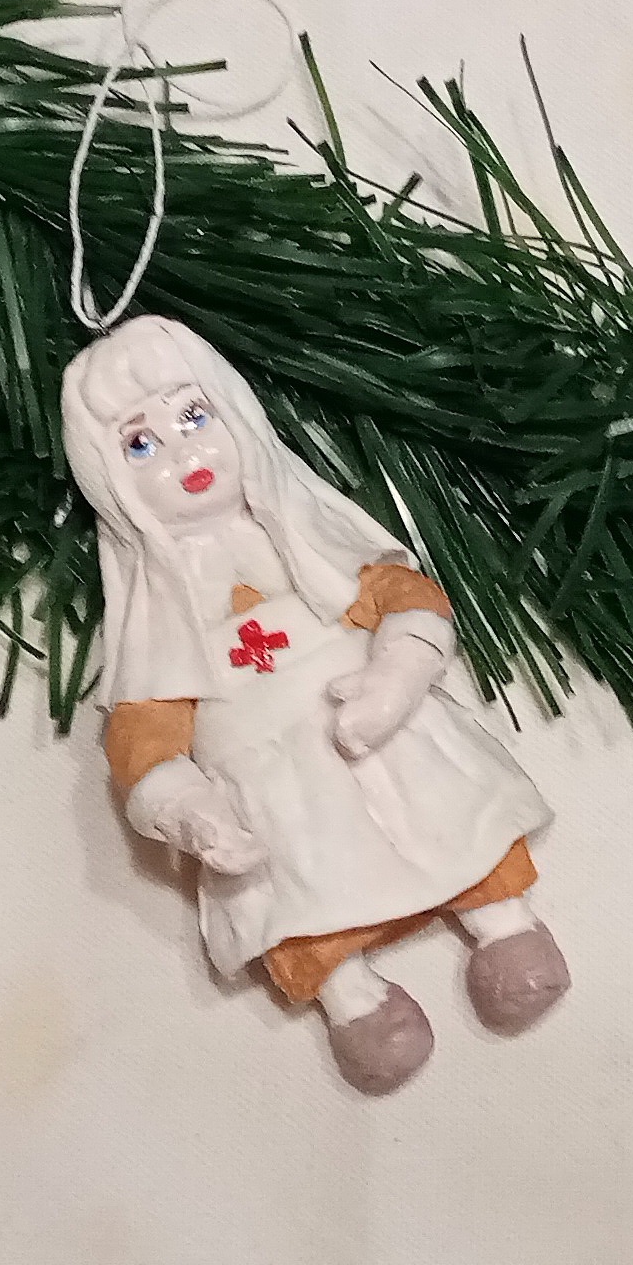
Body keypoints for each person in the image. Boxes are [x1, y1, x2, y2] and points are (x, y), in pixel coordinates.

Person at [62, 316, 567, 1095]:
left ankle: (506, 927)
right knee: (287, 886)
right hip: (267, 783)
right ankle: (354, 1003)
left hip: (374, 726)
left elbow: (405, 597)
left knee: (446, 813)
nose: (184, 455)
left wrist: (397, 673)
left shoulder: (306, 536)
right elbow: (143, 738)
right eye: (140, 443)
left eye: (192, 417)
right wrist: (187, 810)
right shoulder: (156, 616)